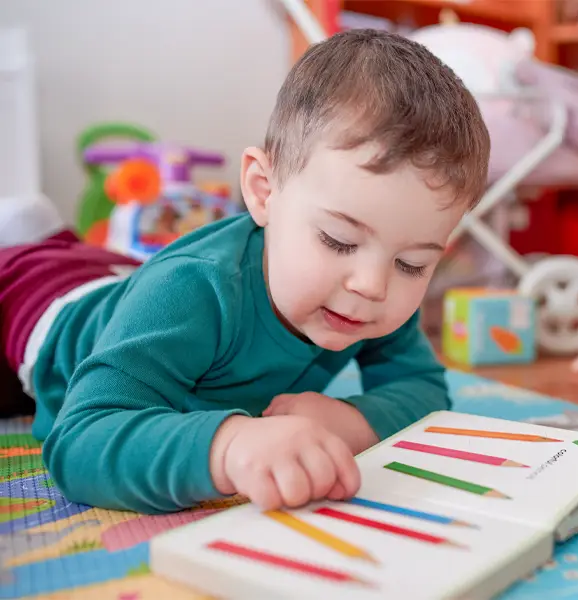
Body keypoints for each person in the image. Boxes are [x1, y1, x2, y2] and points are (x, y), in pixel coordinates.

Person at [0, 29, 490, 515]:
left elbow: (426, 390)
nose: (372, 285)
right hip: (32, 298)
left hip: (122, 278)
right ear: (262, 191)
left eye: (413, 264)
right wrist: (228, 446)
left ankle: (46, 234)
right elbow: (81, 440)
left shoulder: (373, 295)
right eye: (338, 240)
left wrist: (353, 419)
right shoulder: (191, 289)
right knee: (39, 264)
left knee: (113, 271)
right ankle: (26, 229)